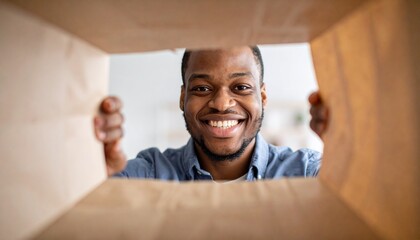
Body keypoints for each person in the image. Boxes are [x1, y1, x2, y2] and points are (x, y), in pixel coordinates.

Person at [93, 46, 328, 181]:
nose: (221, 103)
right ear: (182, 97)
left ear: (263, 96)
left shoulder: (307, 173)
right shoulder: (147, 175)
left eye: (241, 87)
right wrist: (92, 169)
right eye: (202, 88)